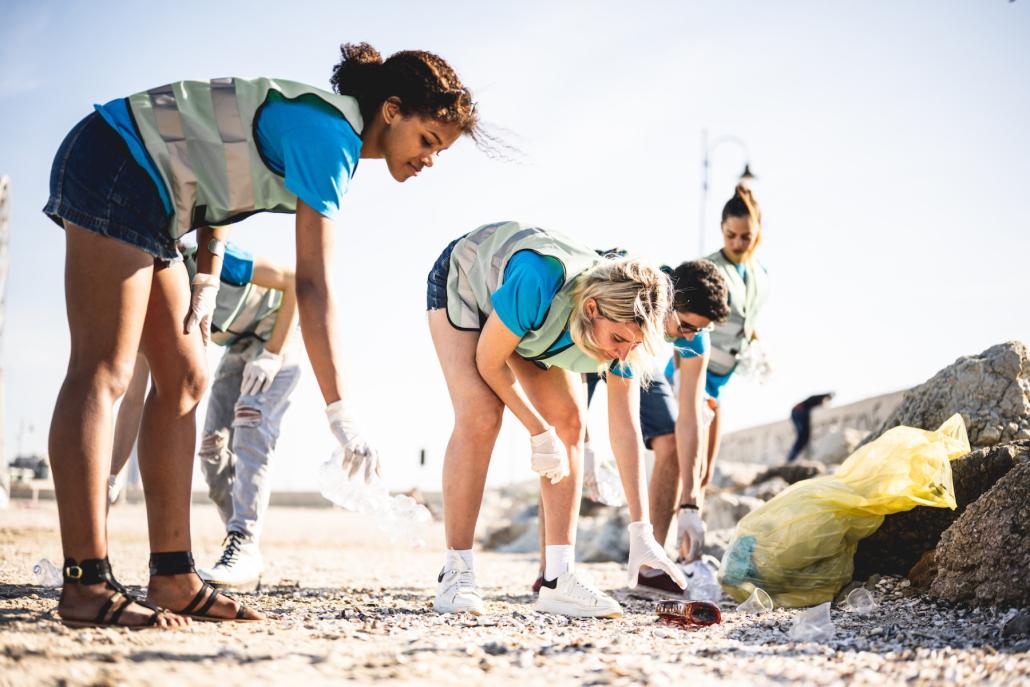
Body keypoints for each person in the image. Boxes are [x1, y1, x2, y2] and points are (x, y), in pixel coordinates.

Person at [42, 42, 479, 628]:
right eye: (429, 141)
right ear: (393, 110)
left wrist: (203, 276)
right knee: (106, 368)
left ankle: (172, 575)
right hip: (115, 158)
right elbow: (313, 286)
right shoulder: (331, 138)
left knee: (187, 374)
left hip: (160, 198)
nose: (429, 161)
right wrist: (340, 411)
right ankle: (85, 582)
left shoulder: (331, 134)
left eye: (440, 152)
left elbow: (213, 182)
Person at [426, 221, 686, 618]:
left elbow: (626, 428)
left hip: (530, 320)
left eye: (631, 345)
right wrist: (536, 432)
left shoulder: (627, 334)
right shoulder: (539, 279)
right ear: (592, 309)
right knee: (482, 415)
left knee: (570, 423)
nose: (622, 354)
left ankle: (558, 580)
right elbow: (489, 362)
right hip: (469, 284)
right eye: (617, 340)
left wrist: (642, 529)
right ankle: (457, 572)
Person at [109, 242, 302, 591]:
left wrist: (272, 354)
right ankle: (245, 545)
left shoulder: (213, 261)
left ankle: (244, 538)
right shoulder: (147, 305)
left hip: (277, 339)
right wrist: (111, 476)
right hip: (239, 348)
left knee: (250, 421)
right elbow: (133, 399)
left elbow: (294, 281)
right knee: (213, 452)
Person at [543, 260, 730, 595]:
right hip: (591, 337)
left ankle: (650, 562)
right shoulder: (633, 300)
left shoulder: (694, 337)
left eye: (698, 331)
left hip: (635, 355)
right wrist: (585, 444)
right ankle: (551, 569)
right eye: (686, 325)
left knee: (670, 440)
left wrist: (690, 504)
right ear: (666, 306)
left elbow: (689, 416)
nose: (689, 336)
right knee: (566, 437)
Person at [696, 184, 770, 517]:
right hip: (694, 373)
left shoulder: (760, 274)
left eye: (746, 237)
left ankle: (687, 547)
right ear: (721, 231)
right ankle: (679, 548)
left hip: (722, 377)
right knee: (690, 466)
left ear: (757, 234)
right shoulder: (708, 269)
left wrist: (756, 345)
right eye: (731, 236)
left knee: (706, 471)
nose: (738, 244)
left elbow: (748, 315)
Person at [787, 393, 835, 462]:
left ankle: (791, 456)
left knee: (802, 436)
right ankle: (791, 457)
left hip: (796, 412)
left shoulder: (814, 400)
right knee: (802, 436)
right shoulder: (815, 399)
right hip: (798, 412)